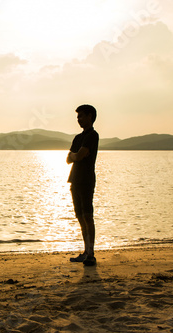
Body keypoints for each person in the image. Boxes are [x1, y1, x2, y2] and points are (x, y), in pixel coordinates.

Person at [66, 104, 99, 266]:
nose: (78, 119)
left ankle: (91, 254)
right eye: (77, 117)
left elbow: (78, 156)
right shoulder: (78, 138)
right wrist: (75, 155)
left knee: (87, 215)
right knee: (80, 216)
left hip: (86, 180)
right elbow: (68, 158)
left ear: (90, 116)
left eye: (81, 116)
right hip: (74, 180)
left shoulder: (92, 135)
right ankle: (86, 251)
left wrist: (75, 155)